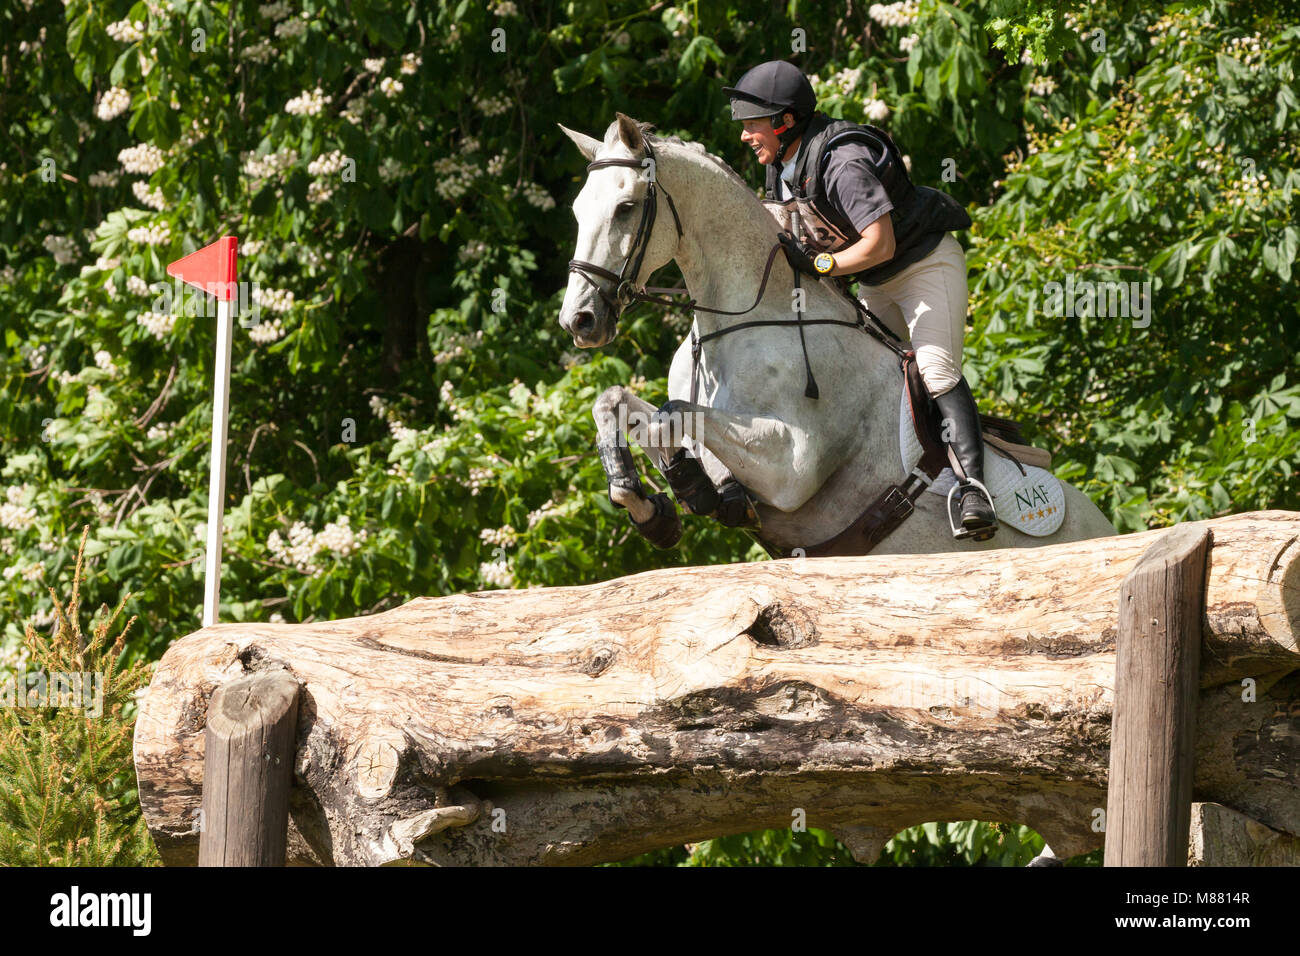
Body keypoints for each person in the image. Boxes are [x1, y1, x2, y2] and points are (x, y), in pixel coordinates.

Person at [722, 59, 996, 539]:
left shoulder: (842, 161)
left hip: (922, 267)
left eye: (752, 124)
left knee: (933, 369)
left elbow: (880, 244)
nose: (745, 135)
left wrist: (822, 265)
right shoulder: (781, 167)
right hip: (872, 280)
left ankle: (974, 488)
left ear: (786, 122)